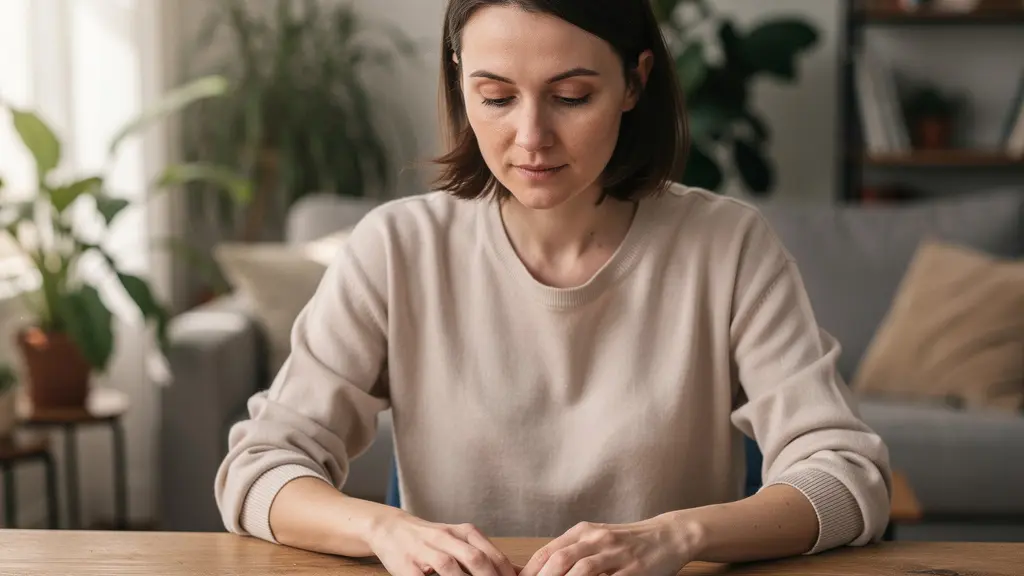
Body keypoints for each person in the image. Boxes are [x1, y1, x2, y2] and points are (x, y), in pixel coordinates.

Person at [215, 1, 893, 575]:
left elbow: (847, 477)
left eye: (571, 97)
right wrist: (384, 529)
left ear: (635, 81)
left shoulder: (727, 247)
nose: (531, 137)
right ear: (459, 79)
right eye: (496, 97)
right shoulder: (397, 249)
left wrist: (677, 536)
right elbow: (260, 468)